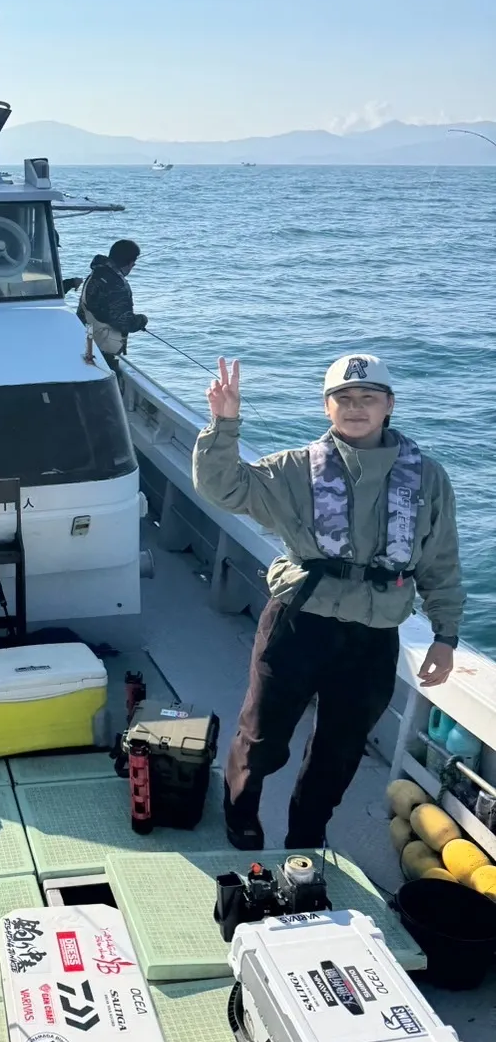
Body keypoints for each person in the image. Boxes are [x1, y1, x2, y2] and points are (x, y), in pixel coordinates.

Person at [193, 354, 464, 851]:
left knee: (340, 749)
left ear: (389, 405)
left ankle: (306, 832)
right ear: (326, 407)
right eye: (344, 398)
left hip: (374, 635)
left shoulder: (428, 478)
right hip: (298, 622)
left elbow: (440, 561)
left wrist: (445, 635)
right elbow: (224, 487)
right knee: (261, 735)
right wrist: (224, 424)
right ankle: (241, 812)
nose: (355, 407)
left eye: (368, 397)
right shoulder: (293, 469)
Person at [77, 239, 148, 370]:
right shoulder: (115, 284)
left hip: (87, 341)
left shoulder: (96, 274)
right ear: (130, 262)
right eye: (133, 263)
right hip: (102, 349)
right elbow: (124, 321)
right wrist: (142, 320)